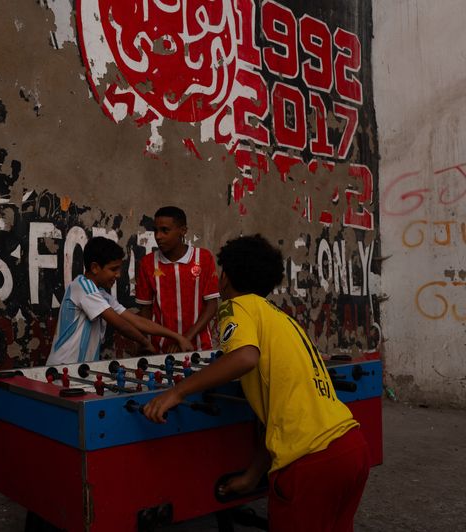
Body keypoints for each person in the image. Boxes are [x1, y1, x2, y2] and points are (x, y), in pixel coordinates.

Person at [143, 234, 370, 531]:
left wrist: (177, 392)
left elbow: (244, 357)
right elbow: (275, 416)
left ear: (224, 278)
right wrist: (252, 476)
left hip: (310, 461)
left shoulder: (236, 308)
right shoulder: (282, 318)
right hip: (351, 449)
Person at [46, 236, 194, 366]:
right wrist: (145, 342)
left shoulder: (102, 294)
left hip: (80, 370)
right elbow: (121, 325)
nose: (118, 275)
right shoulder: (82, 286)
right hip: (62, 369)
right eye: (113, 269)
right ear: (95, 268)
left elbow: (137, 321)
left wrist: (177, 337)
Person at [135, 206, 219, 353]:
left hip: (199, 348)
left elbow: (211, 306)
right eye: (156, 230)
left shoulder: (203, 258)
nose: (158, 236)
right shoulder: (147, 263)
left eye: (165, 230)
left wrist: (186, 338)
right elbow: (145, 310)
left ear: (183, 230)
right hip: (161, 350)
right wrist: (144, 344)